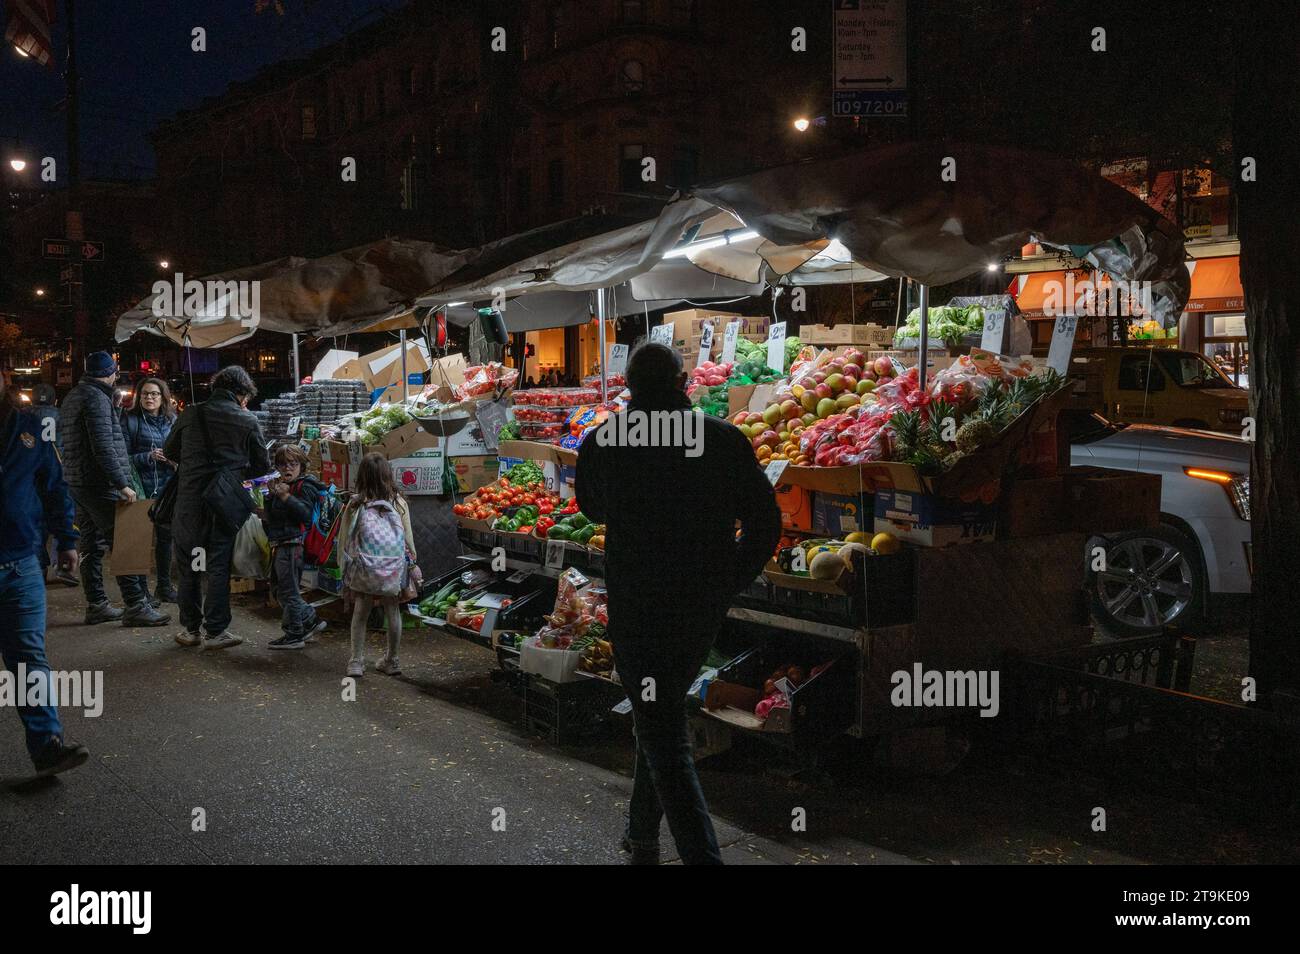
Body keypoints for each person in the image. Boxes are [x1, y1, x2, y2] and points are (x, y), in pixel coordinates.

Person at [576, 342, 781, 865]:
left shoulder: (604, 441)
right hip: (699, 606)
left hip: (637, 603)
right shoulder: (723, 439)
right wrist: (731, 578)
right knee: (659, 713)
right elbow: (765, 521)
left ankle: (701, 856)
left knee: (662, 726)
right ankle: (642, 838)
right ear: (683, 382)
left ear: (629, 387)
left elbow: (592, 508)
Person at [0, 368, 89, 776]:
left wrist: (67, 541)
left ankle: (47, 746)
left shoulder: (31, 428)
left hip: (21, 563)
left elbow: (54, 486)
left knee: (28, 658)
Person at [59, 352, 170, 627]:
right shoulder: (96, 398)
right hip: (99, 483)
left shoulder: (77, 395)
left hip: (79, 481)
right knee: (125, 541)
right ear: (111, 372)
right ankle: (136, 605)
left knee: (91, 543)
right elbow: (103, 445)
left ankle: (97, 604)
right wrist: (122, 483)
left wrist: (116, 408)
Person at [164, 366, 271, 651]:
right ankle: (216, 631)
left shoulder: (191, 413)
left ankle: (190, 630)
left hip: (188, 502)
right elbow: (262, 467)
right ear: (241, 394)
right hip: (223, 503)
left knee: (189, 566)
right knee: (217, 566)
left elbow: (170, 451)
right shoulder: (247, 419)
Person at [337, 453, 416, 678]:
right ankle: (392, 660)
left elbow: (345, 539)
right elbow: (408, 538)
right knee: (392, 609)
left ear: (361, 477)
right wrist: (411, 563)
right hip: (393, 567)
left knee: (361, 610)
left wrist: (343, 566)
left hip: (364, 567)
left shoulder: (356, 504)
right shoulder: (398, 502)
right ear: (387, 476)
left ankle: (356, 661)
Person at [262, 444, 328, 651]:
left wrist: (285, 497)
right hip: (280, 543)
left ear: (301, 465)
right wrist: (270, 497)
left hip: (292, 545)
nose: (287, 468)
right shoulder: (281, 485)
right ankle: (308, 622)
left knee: (288, 592)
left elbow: (306, 516)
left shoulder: (304, 486)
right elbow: (272, 520)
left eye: (293, 464)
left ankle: (295, 632)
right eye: (283, 464)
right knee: (280, 590)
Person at [120, 376, 178, 604]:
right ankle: (142, 591)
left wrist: (174, 460)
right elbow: (122, 456)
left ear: (163, 397)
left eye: (154, 394)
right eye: (145, 394)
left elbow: (181, 448)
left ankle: (164, 586)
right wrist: (148, 456)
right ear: (138, 397)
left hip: (167, 487)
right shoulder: (130, 420)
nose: (149, 398)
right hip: (139, 488)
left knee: (166, 539)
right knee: (138, 540)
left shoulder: (171, 420)